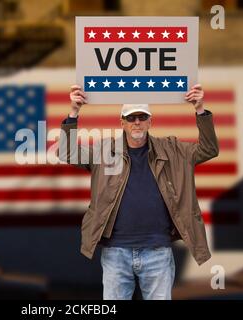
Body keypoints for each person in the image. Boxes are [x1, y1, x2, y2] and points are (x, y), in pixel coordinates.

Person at [58, 84, 219, 300]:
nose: (137, 122)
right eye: (131, 118)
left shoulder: (172, 150)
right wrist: (74, 112)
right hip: (116, 252)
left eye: (142, 117)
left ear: (150, 122)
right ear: (122, 122)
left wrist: (199, 109)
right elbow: (67, 152)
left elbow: (208, 149)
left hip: (158, 251)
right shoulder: (105, 151)